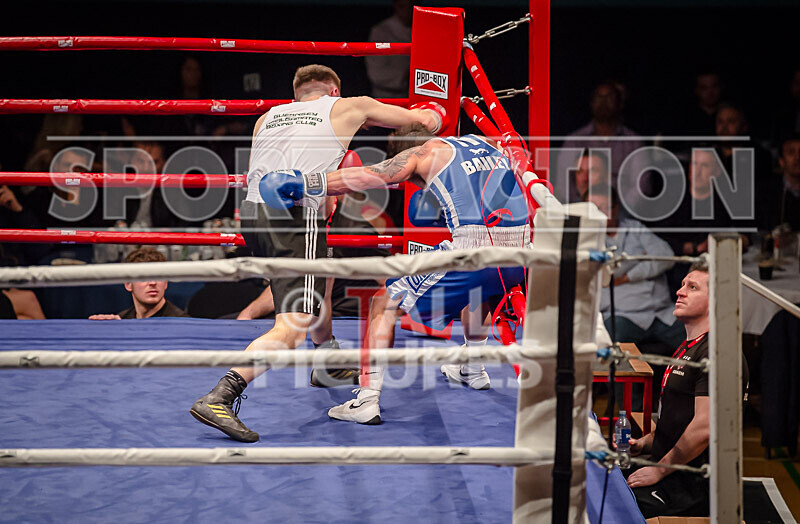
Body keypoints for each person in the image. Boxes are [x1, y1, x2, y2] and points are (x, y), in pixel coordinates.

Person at [189, 65, 444, 442]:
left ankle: (328, 361)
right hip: (294, 217)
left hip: (254, 217)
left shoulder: (267, 119)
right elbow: (419, 121)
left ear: (297, 93)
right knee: (291, 327)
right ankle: (222, 394)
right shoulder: (347, 106)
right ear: (334, 89)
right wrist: (437, 112)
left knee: (318, 277)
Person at [260, 125, 531, 425]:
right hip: (522, 251)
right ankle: (473, 367)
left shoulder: (424, 153)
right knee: (481, 286)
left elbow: (364, 176)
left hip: (472, 249)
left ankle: (366, 401)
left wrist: (306, 182)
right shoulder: (484, 143)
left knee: (383, 301)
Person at [623, 263, 749, 518]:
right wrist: (646, 443)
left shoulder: (717, 351)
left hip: (689, 487)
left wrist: (659, 469)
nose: (680, 292)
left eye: (693, 288)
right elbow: (678, 419)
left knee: (609, 506)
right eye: (682, 285)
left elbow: (705, 428)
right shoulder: (687, 347)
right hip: (670, 471)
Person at [587, 185, 684, 351]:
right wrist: (642, 256)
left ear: (616, 208)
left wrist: (626, 277)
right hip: (623, 315)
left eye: (606, 207)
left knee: (702, 340)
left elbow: (666, 256)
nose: (601, 214)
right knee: (610, 344)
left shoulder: (634, 227)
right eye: (594, 209)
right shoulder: (587, 239)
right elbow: (608, 273)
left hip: (661, 313)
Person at [88, 247, 189, 320]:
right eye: (144, 278)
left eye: (158, 277)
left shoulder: (181, 322)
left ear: (166, 283)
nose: (153, 283)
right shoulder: (122, 320)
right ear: (128, 284)